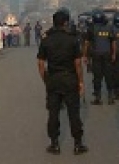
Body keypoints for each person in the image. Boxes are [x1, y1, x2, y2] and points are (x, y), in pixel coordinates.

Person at [37, 8, 88, 156]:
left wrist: (46, 80)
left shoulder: (46, 40)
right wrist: (80, 82)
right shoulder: (72, 40)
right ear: (66, 23)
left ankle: (54, 144)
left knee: (53, 113)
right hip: (70, 78)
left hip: (53, 79)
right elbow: (78, 64)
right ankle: (78, 144)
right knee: (74, 112)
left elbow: (41, 64)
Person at [83, 8, 116, 105]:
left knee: (97, 77)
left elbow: (86, 43)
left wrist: (85, 55)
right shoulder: (109, 27)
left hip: (96, 55)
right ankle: (110, 97)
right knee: (108, 75)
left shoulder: (91, 28)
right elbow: (113, 42)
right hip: (107, 54)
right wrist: (113, 53)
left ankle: (98, 97)